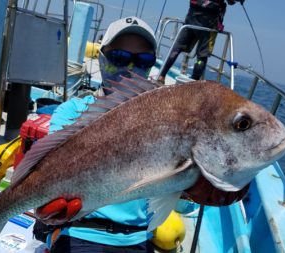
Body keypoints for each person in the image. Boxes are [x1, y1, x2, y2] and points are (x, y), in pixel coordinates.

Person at [33, 16, 250, 253]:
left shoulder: (166, 120)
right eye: (119, 57)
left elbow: (176, 189)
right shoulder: (71, 112)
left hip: (137, 240)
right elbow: (47, 172)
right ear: (101, 57)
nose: (130, 68)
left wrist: (203, 184)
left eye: (143, 60)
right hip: (79, 232)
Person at [158, 0, 243, 82]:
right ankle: (193, 83)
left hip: (191, 18)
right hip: (210, 24)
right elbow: (231, 1)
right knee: (202, 56)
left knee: (176, 49)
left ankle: (162, 76)